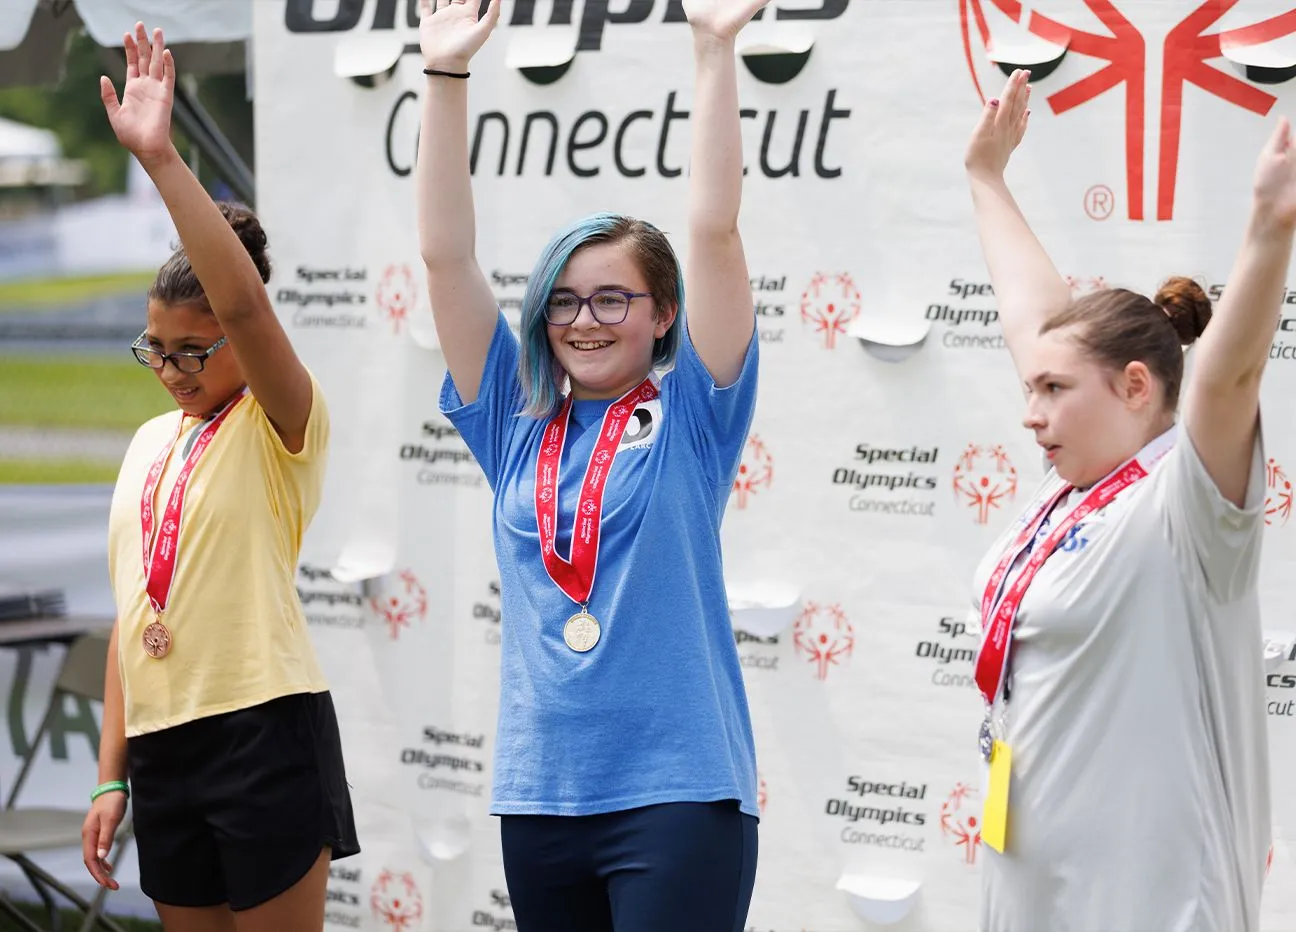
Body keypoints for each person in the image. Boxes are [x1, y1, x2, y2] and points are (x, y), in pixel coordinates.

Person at [416, 0, 765, 927]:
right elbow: (446, 259)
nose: (585, 320)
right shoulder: (514, 420)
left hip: (678, 796)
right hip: (540, 797)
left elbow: (715, 232)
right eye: (563, 301)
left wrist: (713, 50)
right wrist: (445, 77)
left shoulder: (692, 412)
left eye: (614, 298)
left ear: (663, 314)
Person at [963, 69, 1282, 931]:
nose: (1031, 413)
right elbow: (1034, 319)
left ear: (1138, 387)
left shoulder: (1186, 503)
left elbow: (1229, 379)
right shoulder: (1068, 486)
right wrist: (987, 178)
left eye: (1054, 391)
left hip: (1151, 904)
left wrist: (1270, 231)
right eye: (1032, 389)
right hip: (1031, 885)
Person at [80, 24, 358, 931]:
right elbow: (134, 615)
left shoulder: (280, 418)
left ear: (239, 338)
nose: (171, 369)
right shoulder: (147, 443)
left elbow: (239, 300)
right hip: (161, 747)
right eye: (154, 349)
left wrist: (161, 159)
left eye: (194, 350)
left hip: (262, 728)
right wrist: (111, 776)